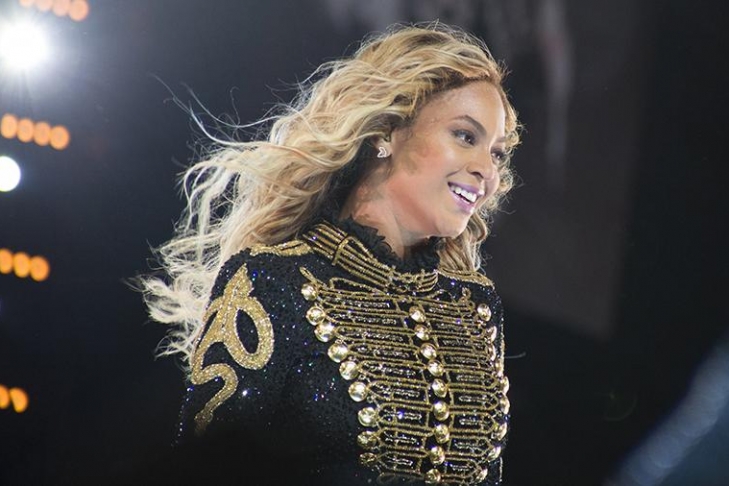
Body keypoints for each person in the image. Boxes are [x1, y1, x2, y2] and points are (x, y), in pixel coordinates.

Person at [140, 22, 520, 486]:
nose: (486, 171)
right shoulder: (269, 282)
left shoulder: (474, 305)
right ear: (387, 131)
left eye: (497, 153)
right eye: (465, 136)